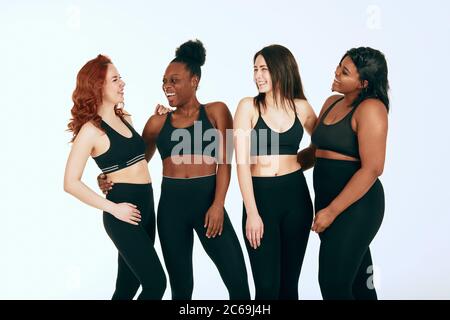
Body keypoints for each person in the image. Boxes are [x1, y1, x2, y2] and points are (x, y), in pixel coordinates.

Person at [99, 40, 250, 300]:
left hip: (209, 206)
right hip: (171, 213)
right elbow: (135, 161)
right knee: (181, 289)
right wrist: (106, 175)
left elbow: (225, 162)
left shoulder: (216, 111)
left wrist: (218, 204)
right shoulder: (158, 123)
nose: (167, 85)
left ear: (195, 80)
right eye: (165, 80)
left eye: (175, 80)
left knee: (237, 282)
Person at [63, 55, 166, 299]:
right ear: (98, 86)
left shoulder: (125, 118)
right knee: (156, 284)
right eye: (115, 79)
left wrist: (156, 125)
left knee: (127, 288)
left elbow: (139, 161)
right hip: (122, 213)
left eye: (120, 78)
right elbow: (70, 183)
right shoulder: (91, 131)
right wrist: (113, 208)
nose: (123, 83)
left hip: (146, 208)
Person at [233, 45, 317, 299]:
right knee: (267, 288)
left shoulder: (301, 107)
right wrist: (252, 213)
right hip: (260, 198)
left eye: (264, 69)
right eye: (255, 69)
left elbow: (323, 146)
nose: (258, 75)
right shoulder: (248, 106)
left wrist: (294, 164)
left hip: (296, 198)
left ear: (281, 69)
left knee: (289, 287)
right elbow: (242, 163)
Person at [310, 47, 389, 300]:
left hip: (356, 207)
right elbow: (314, 153)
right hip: (327, 201)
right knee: (359, 284)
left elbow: (373, 169)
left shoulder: (371, 109)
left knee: (332, 283)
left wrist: (332, 211)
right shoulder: (331, 102)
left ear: (363, 83)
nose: (336, 72)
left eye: (345, 72)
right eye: (338, 66)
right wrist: (276, 164)